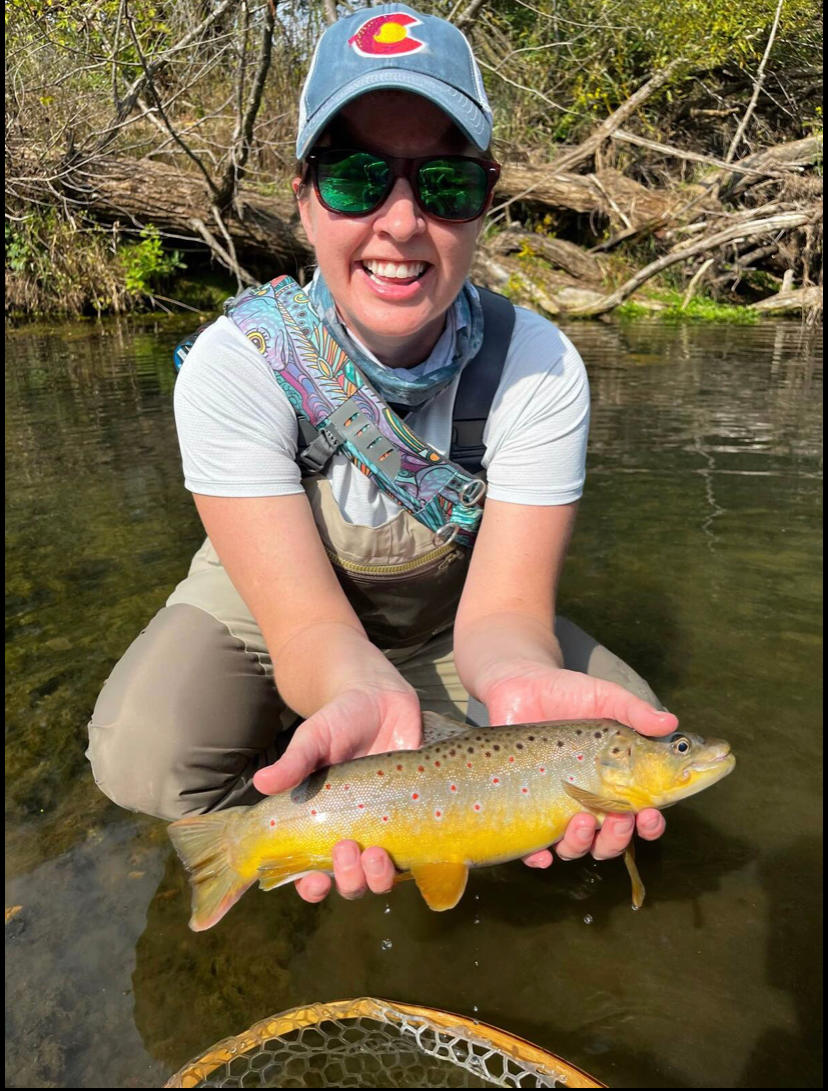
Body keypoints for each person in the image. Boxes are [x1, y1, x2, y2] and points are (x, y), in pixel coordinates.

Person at [87, 4, 677, 905]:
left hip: (452, 616)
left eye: (444, 183)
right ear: (302, 194)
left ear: (487, 199)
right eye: (358, 178)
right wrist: (347, 687)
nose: (401, 223)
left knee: (618, 723)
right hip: (276, 598)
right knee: (142, 744)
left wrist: (514, 679)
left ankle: (392, 790)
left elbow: (505, 616)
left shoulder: (539, 366)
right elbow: (308, 630)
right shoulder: (234, 365)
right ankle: (267, 819)